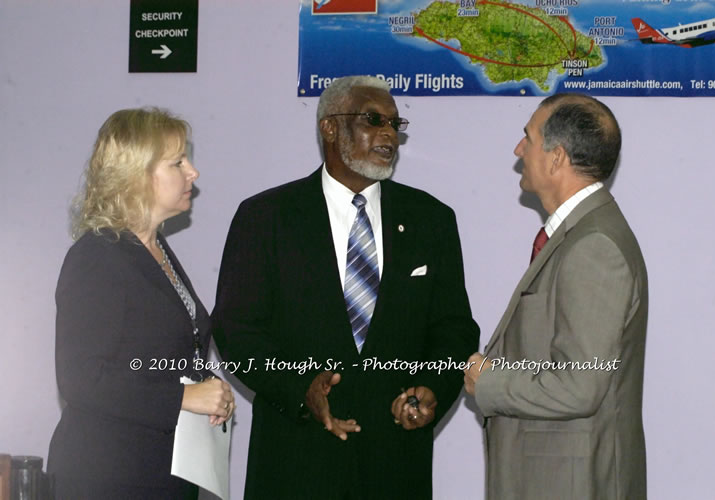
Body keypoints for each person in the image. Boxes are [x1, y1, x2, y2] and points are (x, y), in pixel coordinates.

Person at [212, 75, 480, 499]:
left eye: (396, 124)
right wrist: (300, 389)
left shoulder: (431, 219)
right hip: (295, 462)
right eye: (374, 120)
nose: (389, 133)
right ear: (330, 128)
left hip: (395, 464)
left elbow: (454, 328)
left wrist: (431, 387)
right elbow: (237, 330)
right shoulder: (266, 218)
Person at [464, 93, 648, 500]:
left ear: (556, 158)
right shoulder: (582, 234)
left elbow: (579, 385)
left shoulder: (594, 245)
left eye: (527, 138)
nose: (518, 149)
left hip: (569, 484)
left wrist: (489, 381)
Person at [47, 108, 235, 499]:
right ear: (137, 174)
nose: (193, 173)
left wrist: (208, 388)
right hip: (107, 476)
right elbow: (80, 379)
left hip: (162, 472)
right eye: (178, 162)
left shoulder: (154, 248)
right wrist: (184, 397)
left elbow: (163, 351)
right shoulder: (97, 255)